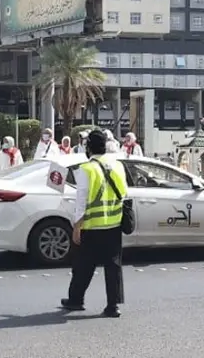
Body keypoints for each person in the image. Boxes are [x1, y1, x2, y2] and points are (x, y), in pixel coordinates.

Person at [61, 129, 127, 318]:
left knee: (83, 265)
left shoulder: (86, 169)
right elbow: (124, 194)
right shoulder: (117, 165)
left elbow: (81, 201)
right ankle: (113, 306)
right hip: (114, 223)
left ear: (88, 147)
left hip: (92, 226)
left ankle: (76, 300)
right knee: (113, 266)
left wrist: (76, 227)